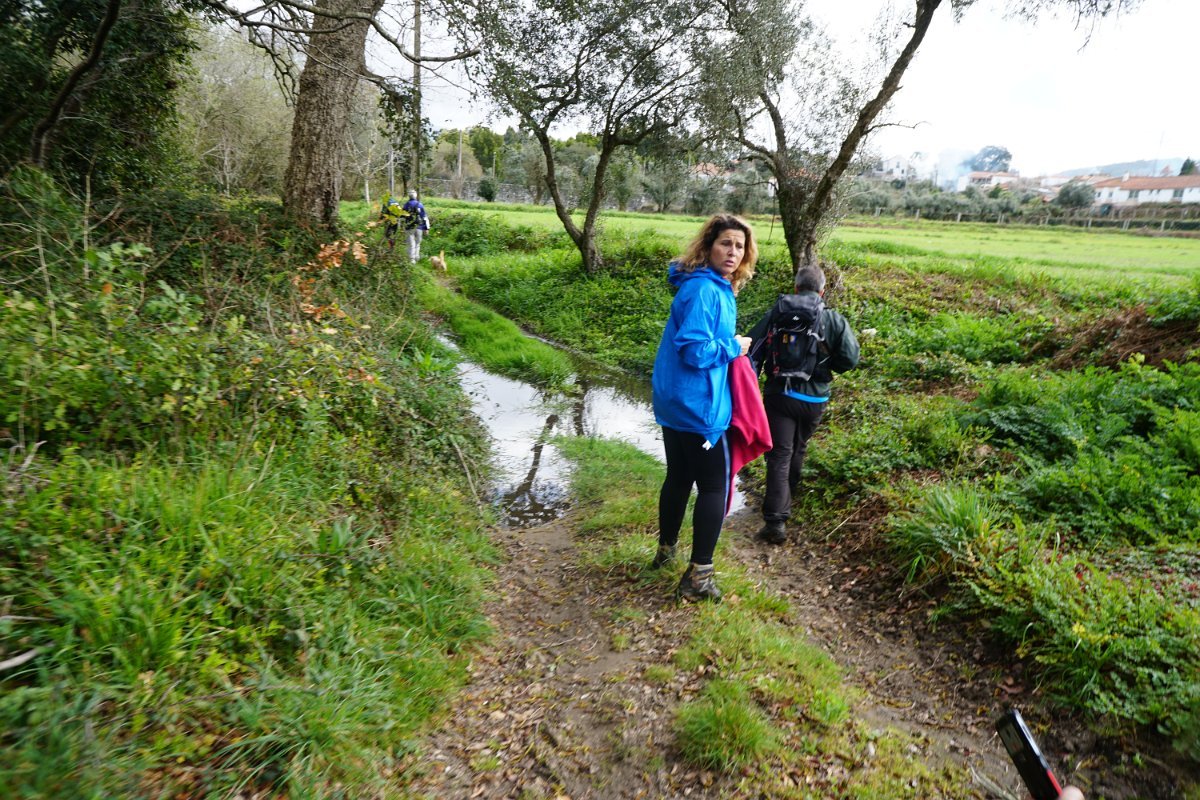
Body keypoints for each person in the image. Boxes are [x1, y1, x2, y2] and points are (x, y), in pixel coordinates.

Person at [650, 214, 757, 602]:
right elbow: (695, 351)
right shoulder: (705, 290)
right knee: (714, 484)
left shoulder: (704, 284)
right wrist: (735, 346)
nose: (733, 252)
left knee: (679, 477)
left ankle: (665, 551)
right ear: (708, 245)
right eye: (725, 243)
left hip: (677, 401)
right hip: (699, 407)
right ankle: (699, 578)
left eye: (740, 246)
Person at [747, 264, 860, 544]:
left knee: (780, 454)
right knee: (798, 448)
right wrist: (826, 366)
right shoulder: (834, 320)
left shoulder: (777, 312)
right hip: (815, 399)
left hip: (780, 396)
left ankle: (776, 521)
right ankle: (786, 499)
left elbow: (752, 348)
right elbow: (850, 359)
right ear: (822, 291)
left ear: (796, 288)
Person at [402, 190, 431, 264]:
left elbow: (402, 216)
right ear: (416, 196)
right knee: (418, 243)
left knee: (411, 244)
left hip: (409, 227)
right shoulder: (420, 204)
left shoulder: (406, 205)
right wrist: (426, 228)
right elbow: (424, 217)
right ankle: (417, 257)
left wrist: (402, 226)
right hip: (419, 227)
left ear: (409, 196)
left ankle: (412, 260)